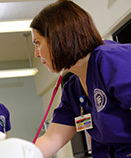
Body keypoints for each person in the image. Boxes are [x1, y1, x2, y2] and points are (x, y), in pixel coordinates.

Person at [30, 0, 131, 157]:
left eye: (37, 43)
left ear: (58, 37)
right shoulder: (73, 89)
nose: (36, 53)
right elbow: (52, 138)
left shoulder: (111, 61)